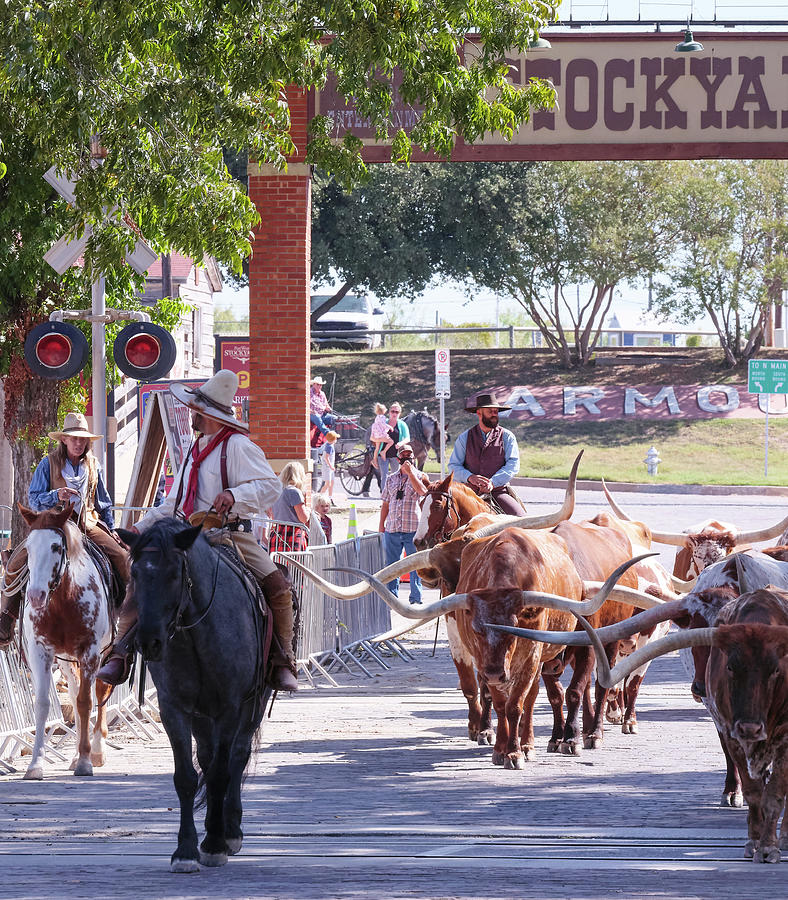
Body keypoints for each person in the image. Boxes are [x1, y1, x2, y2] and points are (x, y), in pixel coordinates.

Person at [97, 370, 299, 693]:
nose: (193, 415)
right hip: (188, 535)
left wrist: (235, 496)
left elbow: (271, 487)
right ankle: (120, 650)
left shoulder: (237, 447)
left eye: (197, 411)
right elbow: (173, 502)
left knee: (277, 585)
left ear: (210, 415)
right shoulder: (195, 450)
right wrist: (140, 526)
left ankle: (281, 658)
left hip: (231, 534)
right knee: (147, 576)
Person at [0, 412, 130, 646]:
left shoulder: (94, 465)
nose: (79, 443)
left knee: (122, 558)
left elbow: (103, 502)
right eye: (74, 439)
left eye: (83, 439)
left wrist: (111, 529)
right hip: (54, 526)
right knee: (14, 564)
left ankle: (122, 618)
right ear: (64, 440)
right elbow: (34, 499)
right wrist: (56, 495)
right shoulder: (47, 463)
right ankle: (7, 619)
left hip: (87, 525)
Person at [448, 392, 525, 516]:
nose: (494, 414)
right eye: (490, 411)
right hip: (468, 492)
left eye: (496, 411)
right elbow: (453, 465)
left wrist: (493, 482)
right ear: (479, 413)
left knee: (521, 520)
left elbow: (513, 465)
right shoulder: (465, 437)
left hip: (498, 492)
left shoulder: (507, 436)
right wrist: (470, 477)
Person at [379, 445, 424, 605]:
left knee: (414, 565)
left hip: (412, 528)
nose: (407, 458)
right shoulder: (391, 479)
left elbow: (423, 492)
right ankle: (392, 599)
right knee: (392, 566)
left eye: (409, 455)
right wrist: (381, 527)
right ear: (398, 459)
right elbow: (385, 504)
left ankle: (416, 599)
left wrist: (411, 473)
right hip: (392, 528)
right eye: (403, 455)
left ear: (413, 458)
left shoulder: (421, 476)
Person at [362, 401, 410, 494]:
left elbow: (407, 438)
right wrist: (380, 439)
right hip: (382, 454)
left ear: (400, 413)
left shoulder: (402, 425)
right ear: (389, 412)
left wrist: (401, 443)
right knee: (384, 475)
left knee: (395, 475)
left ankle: (394, 494)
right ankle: (384, 496)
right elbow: (372, 437)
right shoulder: (383, 422)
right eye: (392, 411)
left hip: (395, 455)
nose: (394, 414)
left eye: (397, 412)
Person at [269, 462, 311, 553]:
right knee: (295, 566)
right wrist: (308, 510)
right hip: (292, 534)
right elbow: (303, 518)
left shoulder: (277, 491)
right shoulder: (294, 492)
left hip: (277, 533)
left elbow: (273, 515)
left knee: (277, 566)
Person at [369, 402, 394, 469]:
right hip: (381, 435)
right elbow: (383, 424)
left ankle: (374, 460)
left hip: (377, 434)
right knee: (391, 442)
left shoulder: (377, 417)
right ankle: (384, 452)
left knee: (377, 448)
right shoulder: (382, 417)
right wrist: (390, 427)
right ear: (383, 411)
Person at [318, 430, 338, 503]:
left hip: (330, 468)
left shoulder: (330, 445)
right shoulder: (329, 447)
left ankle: (330, 497)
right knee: (327, 484)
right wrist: (331, 466)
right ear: (333, 439)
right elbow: (326, 457)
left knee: (331, 483)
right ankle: (319, 497)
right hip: (327, 468)